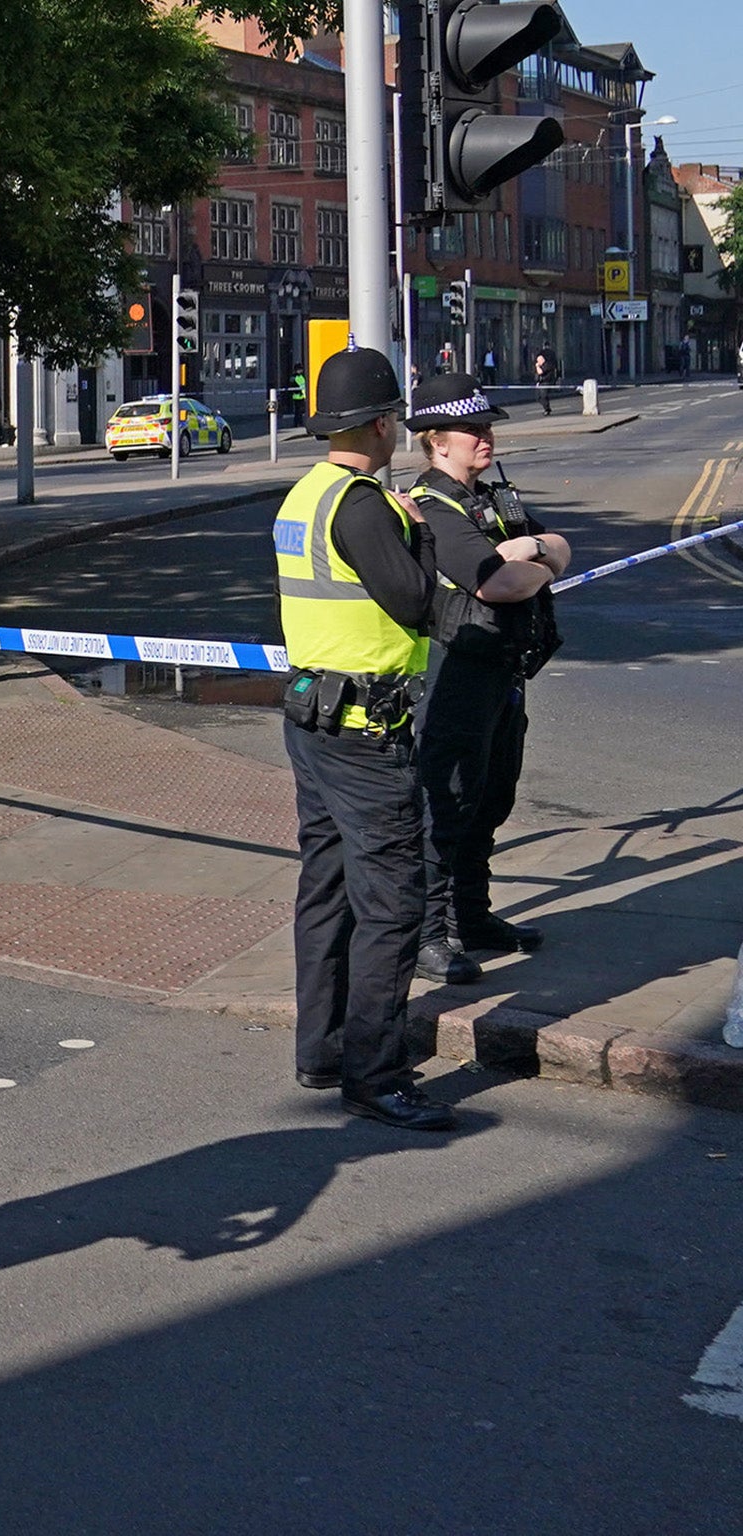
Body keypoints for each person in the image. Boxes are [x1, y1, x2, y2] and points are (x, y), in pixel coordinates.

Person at [272, 343, 455, 1132]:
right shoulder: (365, 506)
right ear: (382, 426)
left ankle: (323, 1048)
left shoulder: (303, 497)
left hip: (312, 716)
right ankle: (374, 1075)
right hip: (365, 732)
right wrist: (419, 534)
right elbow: (416, 602)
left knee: (325, 887)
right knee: (393, 904)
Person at [404, 373, 570, 984]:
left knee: (492, 797)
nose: (485, 438)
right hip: (454, 675)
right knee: (445, 804)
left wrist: (532, 552)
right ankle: (427, 936)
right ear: (435, 441)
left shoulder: (490, 499)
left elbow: (560, 544)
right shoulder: (433, 507)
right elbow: (493, 583)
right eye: (472, 429)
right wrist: (529, 560)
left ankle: (473, 917)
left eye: (487, 427)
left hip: (501, 671)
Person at [535, 351, 553, 415]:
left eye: (538, 361)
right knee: (538, 397)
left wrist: (537, 367)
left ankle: (547, 409)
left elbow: (540, 372)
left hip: (546, 382)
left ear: (542, 360)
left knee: (543, 396)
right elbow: (537, 375)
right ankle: (546, 408)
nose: (538, 363)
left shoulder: (546, 365)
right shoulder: (541, 366)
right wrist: (537, 382)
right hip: (540, 383)